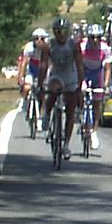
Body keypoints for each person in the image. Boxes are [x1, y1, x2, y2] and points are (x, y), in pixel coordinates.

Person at [39, 15, 83, 160]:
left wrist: (80, 85)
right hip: (56, 75)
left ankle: (66, 145)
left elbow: (79, 65)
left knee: (70, 110)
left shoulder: (73, 45)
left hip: (70, 76)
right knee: (53, 90)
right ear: (54, 32)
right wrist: (40, 84)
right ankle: (47, 113)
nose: (61, 35)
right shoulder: (49, 45)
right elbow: (43, 66)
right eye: (58, 31)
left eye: (63, 31)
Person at [79, 23, 112, 150]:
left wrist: (106, 85)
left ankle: (93, 131)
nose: (95, 40)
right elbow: (78, 65)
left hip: (97, 73)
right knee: (80, 92)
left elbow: (107, 69)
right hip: (84, 71)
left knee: (97, 103)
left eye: (98, 37)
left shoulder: (105, 48)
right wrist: (80, 81)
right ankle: (80, 111)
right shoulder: (82, 46)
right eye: (92, 37)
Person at [17, 28, 49, 128]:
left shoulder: (47, 48)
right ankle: (26, 102)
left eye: (42, 39)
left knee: (44, 93)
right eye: (36, 39)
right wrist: (20, 77)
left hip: (43, 70)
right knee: (27, 87)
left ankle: (41, 114)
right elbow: (24, 63)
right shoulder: (29, 47)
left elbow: (51, 63)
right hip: (32, 70)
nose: (39, 41)